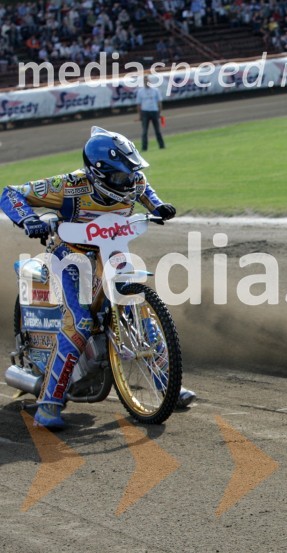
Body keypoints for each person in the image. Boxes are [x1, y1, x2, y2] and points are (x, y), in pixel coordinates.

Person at [0, 127, 196, 429]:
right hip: (70, 257)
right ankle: (49, 405)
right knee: (79, 323)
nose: (130, 182)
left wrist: (157, 206)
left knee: (137, 308)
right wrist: (28, 219)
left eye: (131, 174)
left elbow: (143, 189)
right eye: (121, 178)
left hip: (114, 252)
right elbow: (10, 193)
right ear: (97, 173)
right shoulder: (67, 185)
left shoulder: (133, 179)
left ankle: (165, 382)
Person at [137, 74, 165, 151]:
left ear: (150, 81)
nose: (146, 82)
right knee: (144, 131)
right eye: (145, 81)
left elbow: (159, 102)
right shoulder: (140, 92)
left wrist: (160, 112)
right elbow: (139, 104)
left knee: (157, 130)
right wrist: (140, 115)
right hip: (145, 112)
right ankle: (144, 147)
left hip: (154, 111)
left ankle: (161, 145)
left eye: (147, 80)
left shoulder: (155, 90)